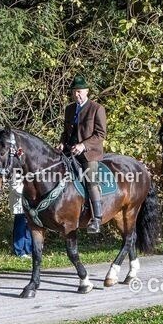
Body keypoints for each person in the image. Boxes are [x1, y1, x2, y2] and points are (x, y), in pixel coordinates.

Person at [60, 76, 107, 233]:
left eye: (79, 91)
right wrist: (62, 142)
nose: (76, 95)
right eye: (74, 92)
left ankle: (97, 219)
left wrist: (83, 145)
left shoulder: (96, 108)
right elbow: (66, 132)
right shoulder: (69, 109)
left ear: (87, 91)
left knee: (90, 180)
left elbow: (100, 134)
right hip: (69, 152)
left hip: (89, 154)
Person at [9, 169, 32, 258]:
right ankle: (19, 251)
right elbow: (17, 190)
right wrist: (29, 190)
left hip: (29, 206)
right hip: (19, 207)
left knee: (29, 229)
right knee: (20, 229)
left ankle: (28, 250)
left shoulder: (28, 173)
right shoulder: (15, 174)